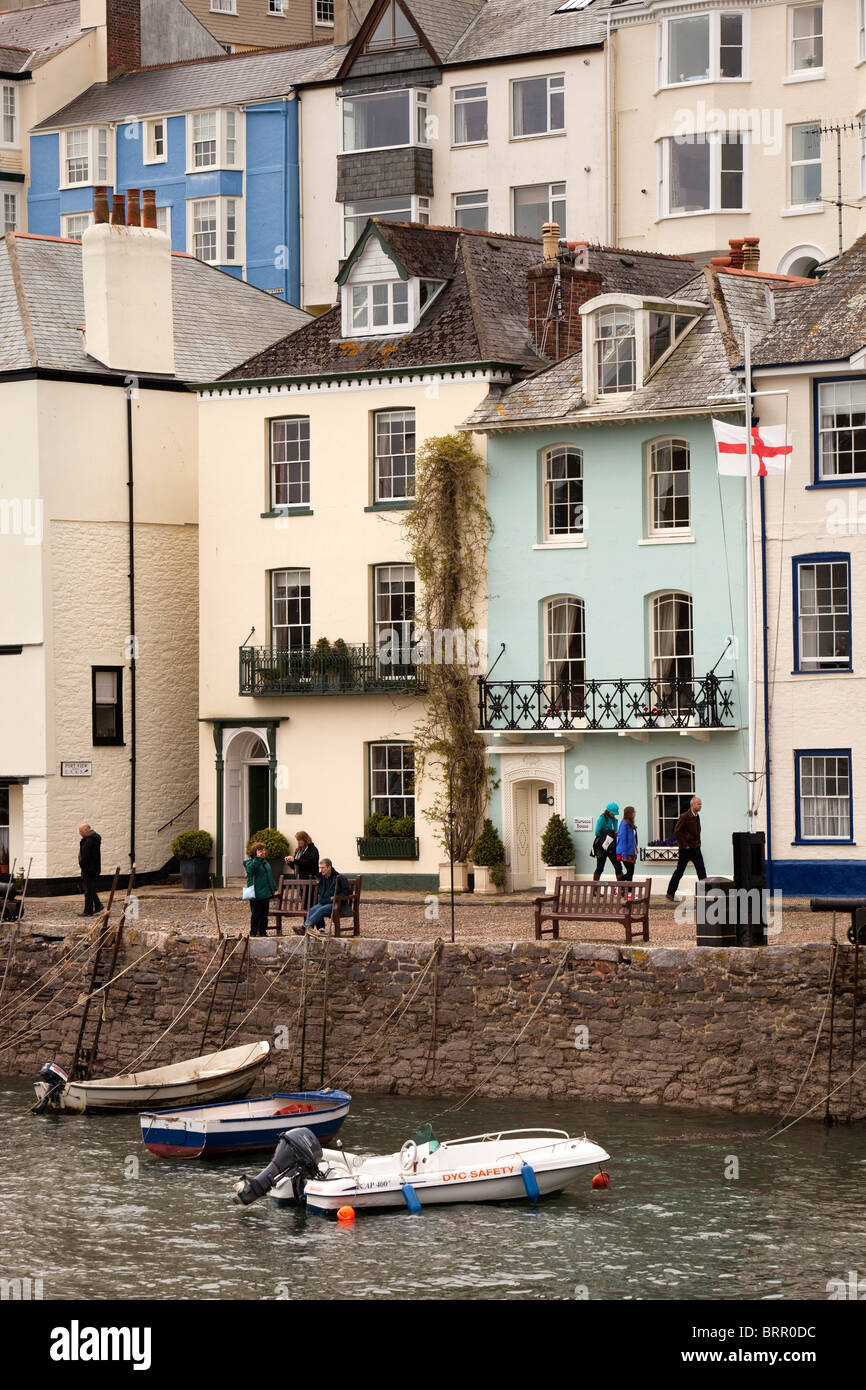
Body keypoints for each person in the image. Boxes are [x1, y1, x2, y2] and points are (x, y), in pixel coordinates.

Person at [666, 796, 706, 902]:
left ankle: (705, 894)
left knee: (701, 871)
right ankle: (670, 892)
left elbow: (697, 832)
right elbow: (677, 832)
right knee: (680, 871)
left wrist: (698, 844)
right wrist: (685, 845)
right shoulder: (684, 816)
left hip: (696, 848)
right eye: (699, 804)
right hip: (685, 849)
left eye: (701, 804)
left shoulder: (697, 816)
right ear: (692, 805)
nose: (700, 806)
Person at [303, 858, 351, 933]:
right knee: (311, 910)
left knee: (321, 910)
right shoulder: (321, 877)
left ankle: (304, 928)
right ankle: (312, 929)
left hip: (336, 904)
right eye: (320, 868)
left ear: (329, 867)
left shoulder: (339, 878)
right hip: (323, 902)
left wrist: (336, 897)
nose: (321, 870)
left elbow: (347, 891)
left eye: (323, 868)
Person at [243, 841, 277, 937]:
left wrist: (273, 888)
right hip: (255, 893)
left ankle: (263, 932)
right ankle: (253, 933)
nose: (263, 852)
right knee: (256, 914)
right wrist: (257, 858)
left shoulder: (265, 863)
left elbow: (270, 876)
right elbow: (250, 870)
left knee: (264, 915)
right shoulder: (249, 862)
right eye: (260, 850)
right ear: (255, 852)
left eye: (263, 850)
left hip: (265, 893)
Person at [593, 803, 624, 881]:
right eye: (613, 813)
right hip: (602, 846)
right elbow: (597, 832)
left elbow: (615, 834)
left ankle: (622, 889)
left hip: (612, 846)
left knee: (618, 866)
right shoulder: (602, 819)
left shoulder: (614, 820)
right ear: (608, 811)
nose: (614, 815)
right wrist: (610, 833)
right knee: (600, 868)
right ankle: (595, 890)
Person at [78, 823, 103, 917]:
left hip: (89, 869)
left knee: (88, 890)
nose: (79, 833)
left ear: (86, 830)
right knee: (90, 888)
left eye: (81, 831)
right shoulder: (94, 839)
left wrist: (82, 865)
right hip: (94, 868)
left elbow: (85, 856)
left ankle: (88, 911)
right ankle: (98, 906)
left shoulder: (89, 840)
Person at [616, 806, 638, 882]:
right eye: (634, 811)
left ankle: (628, 891)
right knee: (630, 872)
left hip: (631, 852)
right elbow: (622, 840)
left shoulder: (631, 824)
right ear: (630, 813)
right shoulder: (624, 824)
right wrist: (624, 855)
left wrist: (634, 853)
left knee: (630, 873)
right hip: (625, 852)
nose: (635, 813)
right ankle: (619, 883)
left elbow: (633, 840)